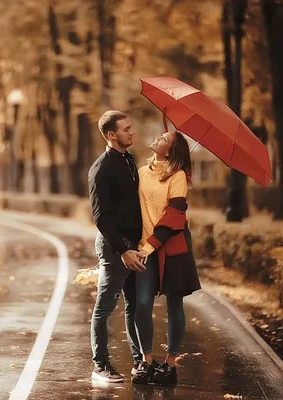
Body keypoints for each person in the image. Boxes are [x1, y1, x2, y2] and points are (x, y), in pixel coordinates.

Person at [130, 129, 201, 386]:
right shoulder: (142, 171)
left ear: (170, 151)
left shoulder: (179, 176)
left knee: (174, 305)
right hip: (143, 246)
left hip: (172, 247)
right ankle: (146, 361)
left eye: (164, 138)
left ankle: (170, 364)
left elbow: (173, 218)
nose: (158, 138)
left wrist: (149, 247)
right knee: (143, 303)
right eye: (160, 135)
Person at [88, 110, 148, 383]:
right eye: (126, 129)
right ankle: (100, 365)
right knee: (105, 306)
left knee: (135, 306)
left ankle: (140, 361)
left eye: (131, 127)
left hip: (135, 247)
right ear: (111, 135)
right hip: (115, 249)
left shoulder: (128, 161)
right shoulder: (102, 168)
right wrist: (123, 250)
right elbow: (101, 216)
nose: (131, 132)